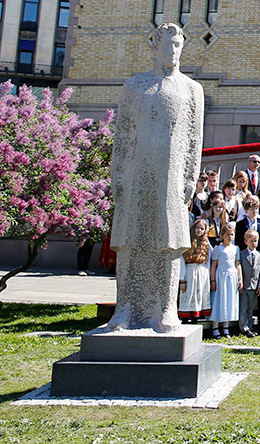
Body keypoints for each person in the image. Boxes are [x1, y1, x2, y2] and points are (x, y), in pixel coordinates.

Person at [108, 23, 204, 332]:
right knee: (129, 241)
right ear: (155, 45)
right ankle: (124, 309)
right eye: (169, 45)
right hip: (137, 174)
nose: (174, 51)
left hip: (172, 177)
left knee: (170, 244)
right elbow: (122, 134)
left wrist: (189, 182)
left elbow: (194, 141)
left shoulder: (191, 89)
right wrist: (118, 176)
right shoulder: (135, 86)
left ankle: (166, 310)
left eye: (178, 45)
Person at [210, 223, 243, 339]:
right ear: (222, 235)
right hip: (221, 276)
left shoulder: (235, 249)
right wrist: (213, 280)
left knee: (229, 301)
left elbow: (237, 264)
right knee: (219, 300)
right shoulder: (218, 249)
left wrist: (240, 279)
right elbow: (213, 265)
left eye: (232, 234)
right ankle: (215, 326)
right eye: (228, 234)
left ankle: (225, 326)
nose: (230, 237)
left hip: (232, 277)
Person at [179, 219, 212, 323]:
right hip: (189, 271)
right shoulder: (187, 242)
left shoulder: (206, 244)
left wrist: (209, 276)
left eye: (202, 229)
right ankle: (185, 321)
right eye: (198, 228)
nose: (200, 230)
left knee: (199, 297)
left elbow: (210, 259)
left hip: (202, 272)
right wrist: (182, 279)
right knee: (188, 297)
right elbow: (181, 260)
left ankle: (195, 321)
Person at [239, 229, 260, 337]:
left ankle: (250, 326)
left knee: (251, 307)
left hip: (254, 285)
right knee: (244, 307)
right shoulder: (242, 254)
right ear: (246, 241)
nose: (254, 243)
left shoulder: (258, 255)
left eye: (256, 241)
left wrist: (259, 285)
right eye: (251, 241)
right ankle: (244, 327)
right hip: (245, 285)